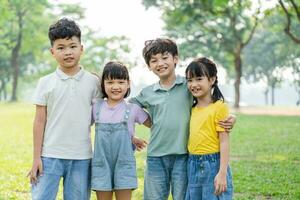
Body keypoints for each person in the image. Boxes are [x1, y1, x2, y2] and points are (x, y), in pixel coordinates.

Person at [130, 38, 235, 200]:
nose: (160, 63)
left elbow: (210, 103)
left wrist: (232, 117)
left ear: (175, 59)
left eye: (165, 57)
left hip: (183, 156)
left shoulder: (187, 85)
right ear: (149, 66)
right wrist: (148, 123)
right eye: (154, 60)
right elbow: (130, 108)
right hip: (156, 156)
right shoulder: (148, 92)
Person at [28, 18, 101, 200]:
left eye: (72, 46)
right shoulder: (45, 83)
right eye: (61, 48)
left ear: (81, 48)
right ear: (52, 52)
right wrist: (37, 158)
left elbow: (102, 116)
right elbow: (39, 121)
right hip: (49, 156)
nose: (68, 52)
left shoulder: (94, 82)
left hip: (82, 156)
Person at [91, 61, 151, 200]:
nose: (116, 87)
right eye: (110, 82)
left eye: (120, 82)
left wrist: (131, 138)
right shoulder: (96, 106)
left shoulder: (133, 109)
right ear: (103, 84)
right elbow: (82, 125)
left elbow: (156, 124)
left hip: (124, 164)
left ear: (128, 83)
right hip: (102, 163)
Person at [185, 57, 233, 200]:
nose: (194, 84)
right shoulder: (191, 108)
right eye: (190, 80)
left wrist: (222, 173)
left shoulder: (219, 107)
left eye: (199, 79)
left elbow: (224, 142)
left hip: (212, 164)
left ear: (212, 80)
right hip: (192, 163)